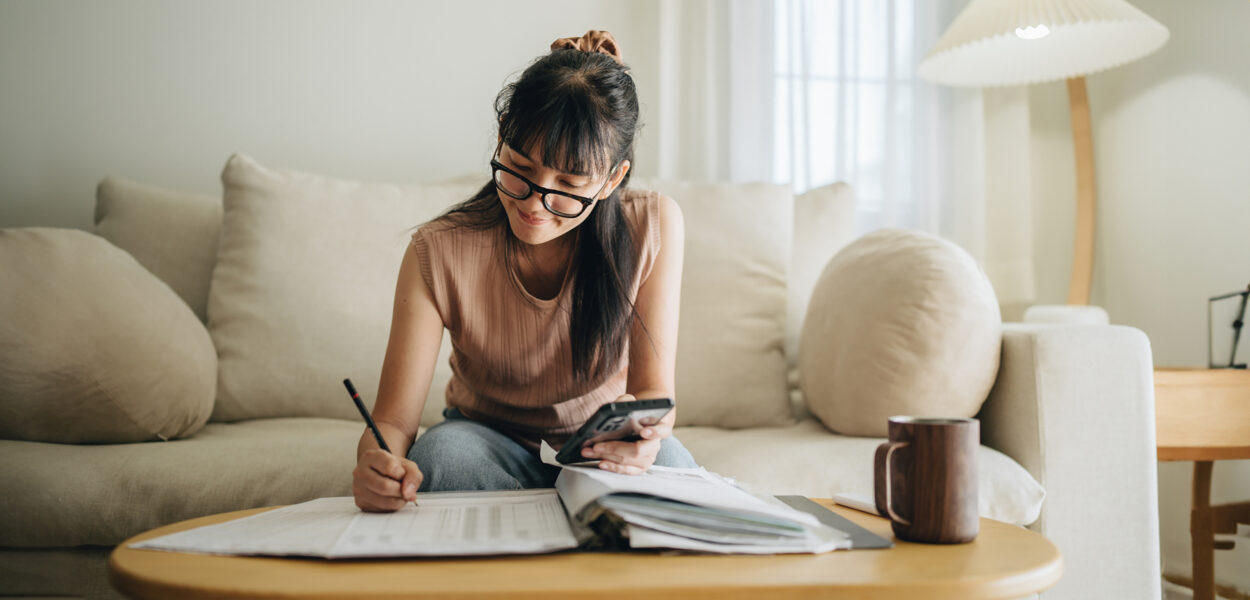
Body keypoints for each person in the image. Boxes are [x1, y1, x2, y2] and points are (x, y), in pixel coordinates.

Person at [352, 30, 698, 513]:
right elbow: (392, 421)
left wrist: (646, 437)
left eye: (569, 184)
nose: (536, 204)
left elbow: (654, 394)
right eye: (518, 168)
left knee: (676, 474)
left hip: (600, 444)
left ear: (612, 180)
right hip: (484, 438)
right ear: (500, 137)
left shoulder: (652, 225)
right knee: (440, 459)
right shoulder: (438, 249)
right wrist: (376, 460)